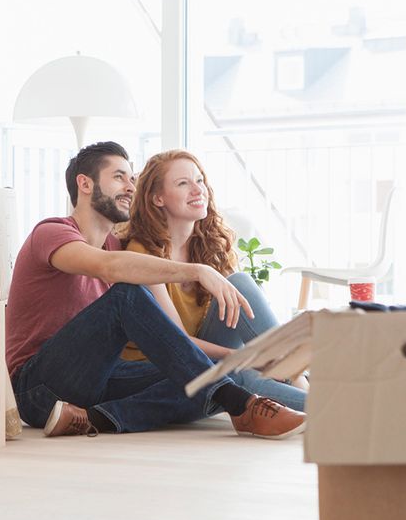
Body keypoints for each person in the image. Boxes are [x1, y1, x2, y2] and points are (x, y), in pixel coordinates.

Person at [5, 141, 306, 439]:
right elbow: (108, 266)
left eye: (132, 179)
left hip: (97, 381)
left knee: (215, 372)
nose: (130, 187)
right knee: (127, 294)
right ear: (84, 183)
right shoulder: (52, 232)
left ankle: (96, 419)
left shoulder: (115, 243)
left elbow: (134, 252)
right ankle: (242, 406)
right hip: (38, 388)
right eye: (119, 177)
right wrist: (198, 271)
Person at [119, 149, 307, 412]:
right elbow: (177, 341)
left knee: (239, 282)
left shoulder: (211, 245)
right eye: (183, 183)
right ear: (157, 198)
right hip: (160, 362)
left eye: (199, 180)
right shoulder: (144, 252)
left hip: (206, 352)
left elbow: (240, 315)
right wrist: (239, 357)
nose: (198, 190)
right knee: (243, 377)